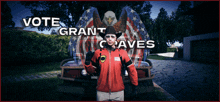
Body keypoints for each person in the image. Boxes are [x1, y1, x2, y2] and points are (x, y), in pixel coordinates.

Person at [84, 26, 138, 101]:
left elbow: (131, 70)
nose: (110, 39)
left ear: (116, 38)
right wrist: (87, 62)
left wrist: (134, 86)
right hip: (101, 92)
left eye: (112, 37)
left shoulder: (123, 53)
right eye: (107, 36)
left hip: (118, 92)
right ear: (104, 38)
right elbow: (91, 71)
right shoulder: (98, 53)